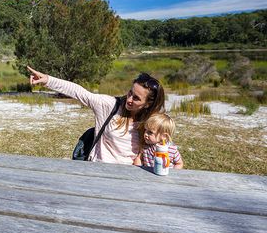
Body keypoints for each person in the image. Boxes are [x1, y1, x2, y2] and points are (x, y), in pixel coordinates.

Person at [27, 66, 165, 164]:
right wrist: (48, 80)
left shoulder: (153, 122)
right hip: (99, 169)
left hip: (131, 176)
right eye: (130, 93)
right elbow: (80, 92)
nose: (129, 99)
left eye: (136, 98)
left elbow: (162, 146)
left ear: (147, 104)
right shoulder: (110, 106)